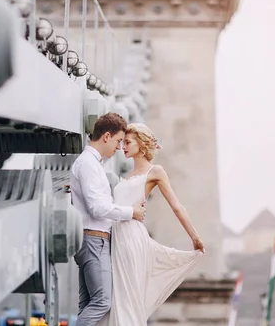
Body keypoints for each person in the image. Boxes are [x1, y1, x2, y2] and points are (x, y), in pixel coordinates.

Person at [99, 122, 205, 326]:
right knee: (118, 297)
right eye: (122, 142)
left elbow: (177, 207)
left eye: (128, 142)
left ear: (141, 143)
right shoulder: (126, 176)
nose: (123, 147)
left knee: (127, 297)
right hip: (116, 239)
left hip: (131, 238)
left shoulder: (155, 171)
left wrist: (195, 237)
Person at [70, 113, 147, 326]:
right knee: (102, 302)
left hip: (89, 240)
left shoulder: (91, 164)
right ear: (106, 136)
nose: (119, 147)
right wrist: (131, 212)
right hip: (94, 241)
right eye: (118, 140)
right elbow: (97, 208)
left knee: (87, 304)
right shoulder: (89, 165)